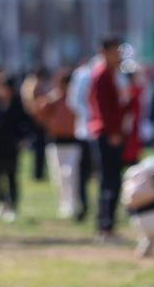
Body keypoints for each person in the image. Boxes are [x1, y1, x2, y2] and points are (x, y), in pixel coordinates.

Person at [88, 38, 130, 241]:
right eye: (114, 51)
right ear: (104, 52)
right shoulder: (102, 74)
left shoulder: (112, 74)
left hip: (110, 132)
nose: (118, 55)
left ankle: (107, 224)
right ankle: (106, 227)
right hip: (106, 134)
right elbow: (103, 108)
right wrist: (113, 132)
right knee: (109, 181)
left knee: (111, 180)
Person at [0, 71, 30, 222]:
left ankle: (12, 207)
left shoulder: (18, 103)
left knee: (11, 176)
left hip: (12, 146)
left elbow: (26, 123)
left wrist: (22, 138)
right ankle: (2, 201)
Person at [36, 68, 80, 219]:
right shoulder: (52, 99)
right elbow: (40, 114)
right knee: (58, 175)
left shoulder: (75, 98)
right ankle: (63, 203)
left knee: (71, 174)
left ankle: (72, 203)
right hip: (56, 142)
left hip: (73, 141)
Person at [67, 54, 98, 221]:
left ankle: (94, 209)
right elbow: (75, 102)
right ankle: (86, 207)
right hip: (88, 131)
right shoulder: (84, 74)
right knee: (86, 174)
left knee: (92, 175)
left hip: (93, 131)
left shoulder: (83, 74)